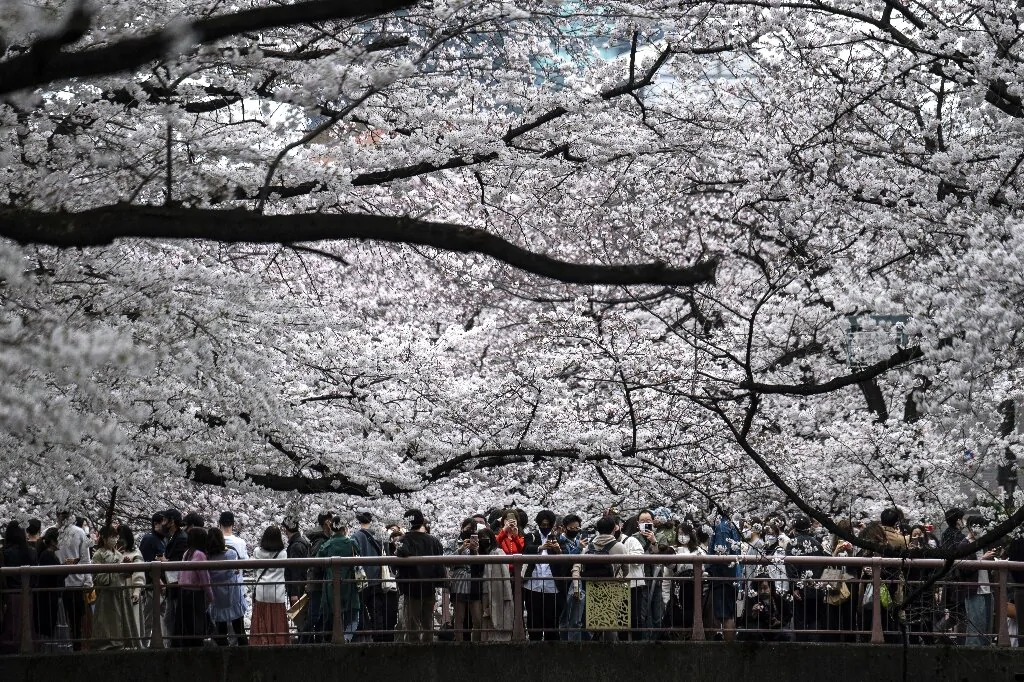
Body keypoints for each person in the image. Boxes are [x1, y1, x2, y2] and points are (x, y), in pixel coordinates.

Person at [394, 508, 445, 642]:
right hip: (429, 586)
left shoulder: (405, 540)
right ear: (421, 522)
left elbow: (399, 558)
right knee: (428, 622)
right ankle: (428, 651)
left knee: (412, 623)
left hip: (412, 587)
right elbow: (440, 562)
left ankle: (413, 653)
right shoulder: (433, 540)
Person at [575, 515, 628, 642]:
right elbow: (626, 568)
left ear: (598, 529)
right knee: (610, 622)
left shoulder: (589, 547)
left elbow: (581, 565)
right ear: (614, 529)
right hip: (612, 587)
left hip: (591, 586)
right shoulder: (619, 546)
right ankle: (610, 651)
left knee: (593, 621)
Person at [315, 516, 362, 642]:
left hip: (331, 585)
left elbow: (318, 564)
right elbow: (359, 554)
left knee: (333, 613)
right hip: (349, 583)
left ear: (331, 528)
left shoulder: (326, 545)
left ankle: (333, 638)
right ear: (345, 528)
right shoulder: (351, 543)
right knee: (352, 616)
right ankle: (346, 637)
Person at [785, 515, 827, 642]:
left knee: (800, 619)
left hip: (800, 590)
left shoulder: (792, 544)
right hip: (816, 587)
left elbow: (791, 568)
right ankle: (815, 647)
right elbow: (822, 565)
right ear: (809, 529)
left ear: (794, 529)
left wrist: (794, 587)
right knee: (815, 618)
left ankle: (801, 647)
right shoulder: (817, 544)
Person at [91, 525, 134, 649]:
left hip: (119, 592)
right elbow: (97, 577)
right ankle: (107, 645)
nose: (115, 539)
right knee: (107, 621)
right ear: (104, 538)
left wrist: (126, 567)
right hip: (106, 594)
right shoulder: (98, 555)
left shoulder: (118, 553)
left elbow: (124, 575)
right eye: (112, 536)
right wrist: (116, 568)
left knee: (120, 620)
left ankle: (121, 643)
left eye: (116, 536)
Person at [521, 509, 562, 641]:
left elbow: (565, 557)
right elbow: (526, 549)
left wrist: (557, 550)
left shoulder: (558, 538)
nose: (545, 527)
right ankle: (534, 643)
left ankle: (551, 646)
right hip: (533, 584)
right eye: (542, 525)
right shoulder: (532, 537)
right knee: (534, 618)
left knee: (552, 618)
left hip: (552, 584)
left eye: (547, 525)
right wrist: (540, 547)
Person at [56, 509, 92, 651]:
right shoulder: (51, 532)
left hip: (75, 583)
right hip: (60, 583)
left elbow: (85, 558)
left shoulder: (79, 532)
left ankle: (75, 649)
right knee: (63, 621)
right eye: (61, 514)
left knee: (75, 621)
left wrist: (88, 580)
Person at [350, 510, 389, 641]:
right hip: (378, 578)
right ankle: (379, 639)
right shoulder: (379, 536)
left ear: (359, 521)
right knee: (376, 610)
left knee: (361, 609)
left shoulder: (356, 537)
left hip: (363, 580)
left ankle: (364, 637)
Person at [0, 522, 38, 652]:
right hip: (28, 594)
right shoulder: (32, 552)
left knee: (11, 625)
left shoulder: (6, 553)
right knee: (27, 624)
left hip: (11, 594)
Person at [206, 527, 247, 646]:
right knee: (240, 631)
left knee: (221, 631)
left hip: (217, 599)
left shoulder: (207, 559)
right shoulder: (231, 554)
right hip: (233, 597)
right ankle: (246, 658)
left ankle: (223, 659)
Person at [961, 515, 996, 646]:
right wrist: (983, 560)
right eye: (978, 527)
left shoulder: (983, 543)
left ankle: (986, 654)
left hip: (987, 588)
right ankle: (973, 653)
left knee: (987, 625)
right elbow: (964, 569)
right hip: (974, 590)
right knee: (975, 626)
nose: (980, 531)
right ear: (971, 528)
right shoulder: (964, 544)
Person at [251, 525, 289, 646]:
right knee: (277, 621)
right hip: (277, 593)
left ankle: (261, 643)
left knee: (261, 620)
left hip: (261, 592)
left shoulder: (257, 552)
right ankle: (279, 643)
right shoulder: (283, 554)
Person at [623, 510, 657, 640]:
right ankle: (643, 640)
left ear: (653, 522)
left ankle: (655, 639)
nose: (646, 524)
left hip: (656, 577)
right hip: (641, 578)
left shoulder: (658, 536)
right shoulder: (633, 538)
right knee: (642, 612)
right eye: (643, 522)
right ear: (637, 523)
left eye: (648, 521)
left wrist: (654, 541)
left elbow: (661, 555)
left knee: (656, 612)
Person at [449, 517, 484, 641]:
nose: (470, 532)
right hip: (459, 580)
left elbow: (482, 565)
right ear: (462, 528)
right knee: (459, 618)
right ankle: (458, 644)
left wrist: (476, 550)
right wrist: (461, 549)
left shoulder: (480, 542)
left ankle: (476, 646)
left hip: (474, 581)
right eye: (468, 529)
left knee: (477, 618)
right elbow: (447, 561)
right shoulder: (453, 542)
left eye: (473, 530)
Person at [177, 526, 213, 647]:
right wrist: (210, 596)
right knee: (196, 626)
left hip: (183, 592)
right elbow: (204, 579)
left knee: (186, 627)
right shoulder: (200, 555)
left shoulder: (187, 553)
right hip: (195, 594)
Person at [302, 512, 335, 643]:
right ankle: (303, 643)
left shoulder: (322, 539)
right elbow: (315, 563)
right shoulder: (321, 541)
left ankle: (317, 643)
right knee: (315, 616)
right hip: (317, 584)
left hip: (319, 583)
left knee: (321, 616)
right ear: (327, 522)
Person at [479, 527, 514, 641]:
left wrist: (507, 594)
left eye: (485, 538)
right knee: (486, 617)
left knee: (499, 616)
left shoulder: (498, 552)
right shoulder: (479, 554)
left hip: (497, 590)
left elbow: (505, 574)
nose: (483, 540)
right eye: (480, 538)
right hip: (484, 590)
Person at [159, 509, 188, 646]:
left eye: (165, 520)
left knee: (173, 618)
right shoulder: (174, 537)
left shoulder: (181, 538)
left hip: (177, 584)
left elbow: (177, 562)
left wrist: (164, 561)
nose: (162, 523)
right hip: (173, 585)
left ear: (172, 522)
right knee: (169, 619)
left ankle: (174, 646)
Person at [556, 514, 586, 640]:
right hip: (564, 582)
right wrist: (579, 548)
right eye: (571, 528)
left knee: (577, 616)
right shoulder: (560, 542)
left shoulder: (578, 539)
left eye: (576, 528)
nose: (574, 530)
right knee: (565, 615)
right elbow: (566, 559)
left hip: (578, 581)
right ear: (564, 528)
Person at [137, 512, 166, 645]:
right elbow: (145, 562)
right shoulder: (149, 539)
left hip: (163, 585)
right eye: (162, 522)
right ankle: (144, 643)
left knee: (163, 616)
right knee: (148, 617)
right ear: (156, 524)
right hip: (152, 586)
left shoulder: (163, 539)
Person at [117, 525, 145, 648]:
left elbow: (139, 574)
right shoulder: (114, 553)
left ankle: (133, 645)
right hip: (117, 591)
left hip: (129, 592)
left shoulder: (135, 553)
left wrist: (137, 590)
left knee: (132, 620)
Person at [34, 528, 63, 645]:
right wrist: (65, 569)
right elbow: (54, 577)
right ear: (52, 541)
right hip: (49, 598)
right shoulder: (48, 555)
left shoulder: (48, 554)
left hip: (49, 597)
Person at [282, 516, 309, 612]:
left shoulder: (295, 546)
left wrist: (294, 592)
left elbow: (296, 570)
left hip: (298, 589)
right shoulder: (301, 542)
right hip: (301, 586)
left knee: (300, 617)